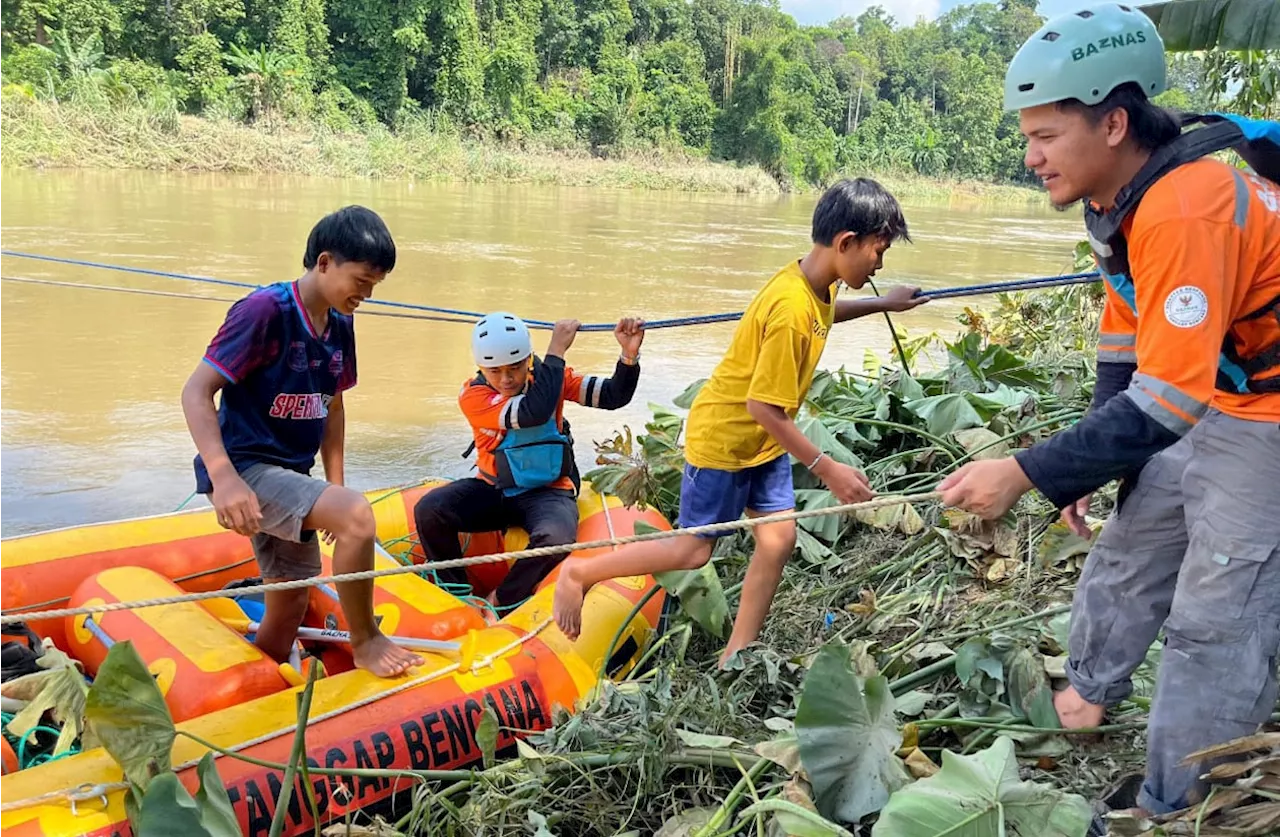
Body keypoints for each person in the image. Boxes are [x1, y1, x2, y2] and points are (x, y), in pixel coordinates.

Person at [937, 3, 1280, 823]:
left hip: (1265, 410)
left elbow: (1168, 400)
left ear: (1115, 122)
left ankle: (1182, 800)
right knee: (1131, 540)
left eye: (1047, 138)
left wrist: (1025, 471)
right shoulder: (1116, 202)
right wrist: (1096, 464)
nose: (1031, 158)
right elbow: (1126, 334)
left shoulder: (1187, 204)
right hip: (1211, 390)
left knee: (1214, 617)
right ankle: (1089, 692)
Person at [553, 177, 929, 660]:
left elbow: (826, 312)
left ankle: (738, 652)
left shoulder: (812, 280)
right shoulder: (792, 307)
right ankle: (580, 572)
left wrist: (884, 302)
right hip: (727, 442)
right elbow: (762, 407)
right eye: (878, 251)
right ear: (846, 242)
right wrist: (827, 468)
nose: (880, 263)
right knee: (692, 551)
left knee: (778, 537)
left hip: (763, 443)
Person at [181, 205, 423, 678]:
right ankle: (366, 640)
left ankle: (259, 684)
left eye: (375, 285)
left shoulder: (340, 322)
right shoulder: (265, 311)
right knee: (357, 515)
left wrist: (335, 483)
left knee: (291, 603)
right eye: (362, 280)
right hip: (245, 466)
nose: (367, 294)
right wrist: (224, 479)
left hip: (293, 473)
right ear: (325, 262)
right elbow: (196, 391)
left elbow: (332, 406)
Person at [413, 313, 645, 609]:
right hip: (494, 490)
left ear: (529, 361)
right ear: (481, 368)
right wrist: (557, 350)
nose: (506, 379)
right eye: (495, 371)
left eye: (515, 368)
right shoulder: (474, 395)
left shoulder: (549, 376)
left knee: (557, 537)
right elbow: (531, 412)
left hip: (548, 491)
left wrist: (628, 356)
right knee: (430, 510)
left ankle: (500, 599)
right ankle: (456, 593)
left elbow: (613, 396)